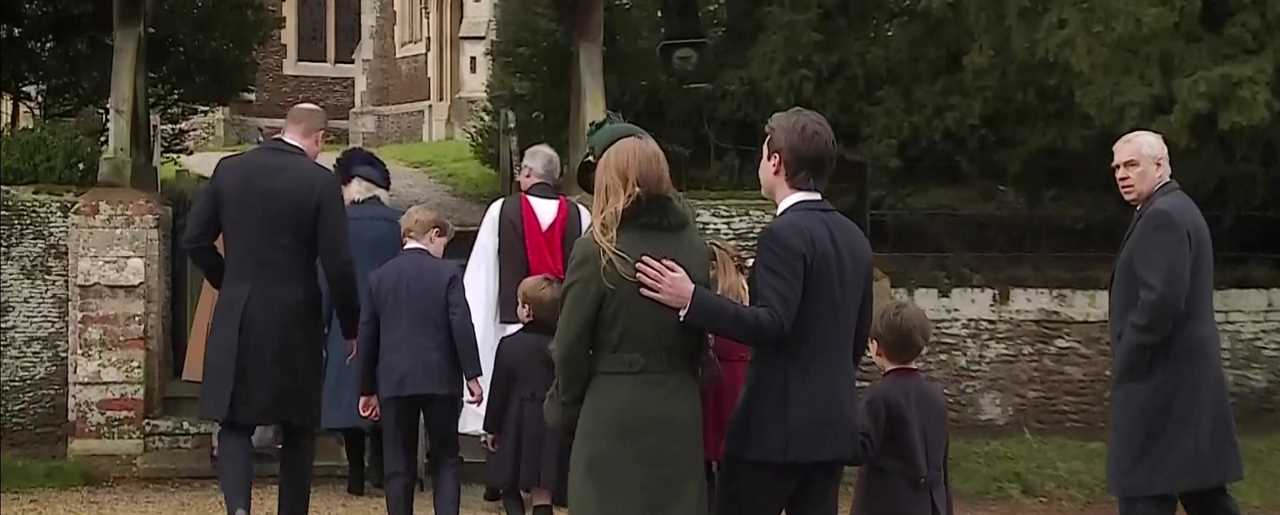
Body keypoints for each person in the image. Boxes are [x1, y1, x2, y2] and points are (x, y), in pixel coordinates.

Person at [636, 107, 874, 515]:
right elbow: (856, 338)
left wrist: (692, 298)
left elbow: (772, 322)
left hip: (773, 431)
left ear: (777, 161)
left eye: (763, 155)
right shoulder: (853, 237)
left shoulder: (784, 234)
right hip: (831, 425)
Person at [183, 103, 360, 515]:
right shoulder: (319, 182)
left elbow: (194, 240)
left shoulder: (230, 170)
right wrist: (351, 325)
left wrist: (226, 280)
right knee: (297, 425)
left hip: (239, 309)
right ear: (319, 139)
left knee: (234, 421)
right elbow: (339, 264)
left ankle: (239, 510)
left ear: (283, 128)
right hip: (296, 314)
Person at [547, 121, 711, 515]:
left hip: (612, 411)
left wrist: (567, 409)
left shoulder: (599, 250)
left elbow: (569, 344)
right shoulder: (694, 247)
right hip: (678, 407)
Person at [1106, 130, 1243, 515]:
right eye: (1117, 167)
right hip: (1181, 384)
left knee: (1143, 493)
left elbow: (1160, 301)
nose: (1122, 174)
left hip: (1159, 384)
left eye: (1132, 165)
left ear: (1160, 164)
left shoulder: (1163, 216)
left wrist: (1129, 355)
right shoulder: (1176, 208)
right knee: (1202, 492)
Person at [357, 205, 485, 515]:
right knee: (446, 457)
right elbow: (460, 323)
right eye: (443, 243)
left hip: (395, 379)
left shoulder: (379, 277)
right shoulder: (448, 273)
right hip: (441, 377)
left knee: (398, 462)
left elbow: (368, 334)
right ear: (433, 235)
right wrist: (472, 374)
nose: (443, 249)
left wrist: (366, 387)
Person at [462, 143, 591, 436]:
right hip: (563, 325)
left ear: (528, 173)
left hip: (512, 323)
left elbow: (483, 272)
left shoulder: (502, 210)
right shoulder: (580, 214)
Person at [320, 147, 401, 496]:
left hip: (346, 319)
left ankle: (355, 473)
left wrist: (322, 319)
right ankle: (380, 469)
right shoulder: (399, 224)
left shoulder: (338, 224)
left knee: (346, 392)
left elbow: (327, 275)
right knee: (385, 392)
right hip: (391, 320)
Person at [853, 301, 951, 515]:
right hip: (930, 505)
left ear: (876, 347)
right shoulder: (936, 396)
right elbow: (941, 463)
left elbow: (858, 449)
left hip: (885, 506)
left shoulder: (878, 397)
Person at [484, 274, 569, 515]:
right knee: (543, 490)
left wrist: (492, 427)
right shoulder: (561, 346)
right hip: (552, 422)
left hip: (516, 422)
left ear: (528, 311)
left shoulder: (510, 345)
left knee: (509, 484)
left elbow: (499, 390)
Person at [701, 240, 751, 511]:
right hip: (741, 375)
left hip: (716, 374)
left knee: (709, 449)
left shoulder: (710, 289)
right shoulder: (745, 289)